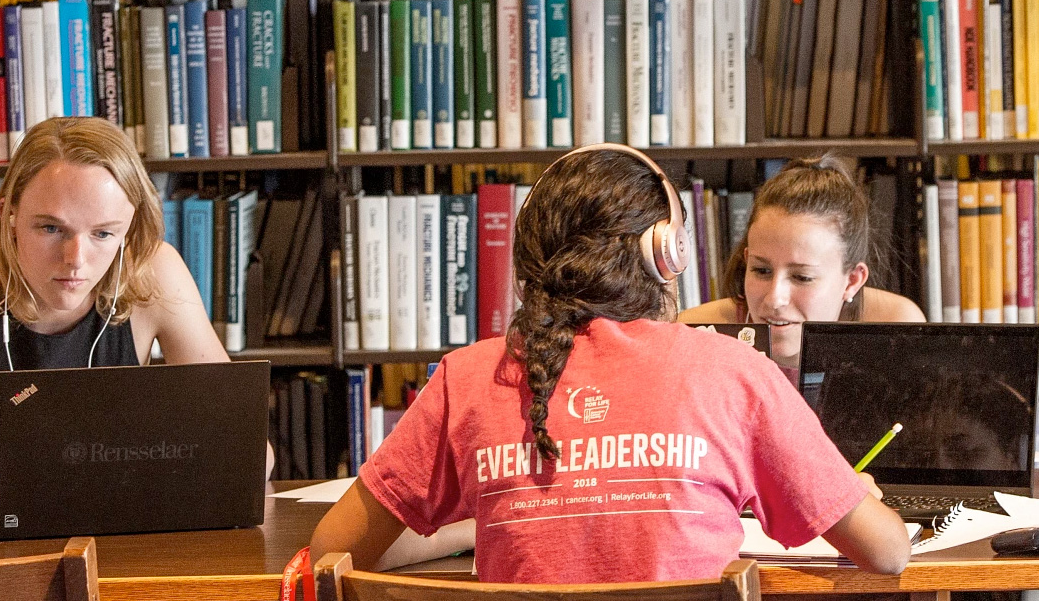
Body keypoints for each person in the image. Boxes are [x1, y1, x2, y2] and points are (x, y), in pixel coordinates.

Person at [310, 144, 911, 583]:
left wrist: (498, 510)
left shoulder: (466, 379)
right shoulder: (734, 370)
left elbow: (330, 552)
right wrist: (850, 491)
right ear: (669, 254)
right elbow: (887, 554)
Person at [0, 116, 269, 520]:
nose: (75, 260)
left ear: (129, 226)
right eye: (50, 229)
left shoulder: (152, 271)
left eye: (103, 233)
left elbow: (251, 452)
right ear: (9, 215)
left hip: (112, 534)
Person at [678, 155, 924, 379]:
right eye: (761, 271)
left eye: (802, 277)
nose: (775, 299)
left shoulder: (898, 329)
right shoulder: (696, 334)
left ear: (852, 281)